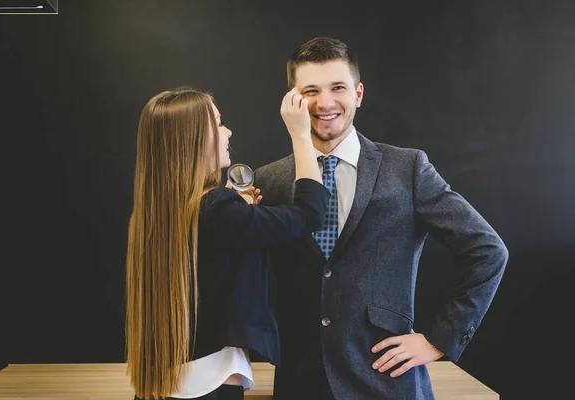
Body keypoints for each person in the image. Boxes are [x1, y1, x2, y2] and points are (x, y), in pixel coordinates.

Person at [254, 37, 509, 400]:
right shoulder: (269, 181)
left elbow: (488, 250)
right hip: (299, 381)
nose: (325, 103)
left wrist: (440, 340)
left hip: (386, 382)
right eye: (311, 90)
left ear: (358, 94)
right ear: (292, 100)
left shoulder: (407, 168)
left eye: (338, 87)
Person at [125, 87, 329, 400]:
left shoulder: (162, 212)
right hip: (210, 384)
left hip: (172, 382)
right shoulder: (216, 210)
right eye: (218, 124)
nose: (228, 131)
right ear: (193, 139)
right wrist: (301, 136)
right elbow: (310, 214)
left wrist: (237, 208)